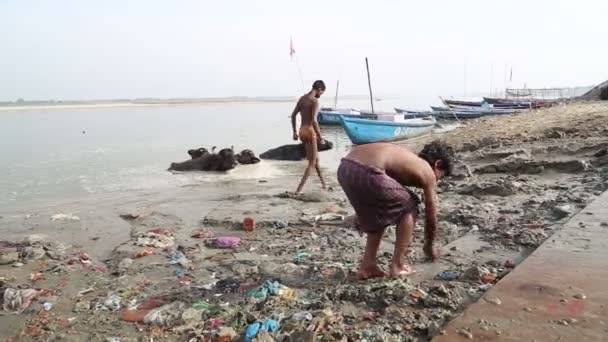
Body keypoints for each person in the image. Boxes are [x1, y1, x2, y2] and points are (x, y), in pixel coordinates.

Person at [337, 140, 454, 279]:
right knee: (410, 205)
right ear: (438, 164)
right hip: (369, 171)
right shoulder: (427, 171)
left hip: (345, 167)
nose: (437, 181)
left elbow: (377, 190)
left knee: (377, 212)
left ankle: (367, 266)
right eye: (441, 177)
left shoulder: (406, 160)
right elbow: (431, 214)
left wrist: (361, 214)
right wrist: (429, 245)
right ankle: (398, 266)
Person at [290, 80, 327, 194]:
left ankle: (324, 185)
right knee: (311, 163)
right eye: (321, 93)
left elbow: (293, 115)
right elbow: (314, 121)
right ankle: (298, 191)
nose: (320, 96)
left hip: (302, 131)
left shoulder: (302, 99)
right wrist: (320, 137)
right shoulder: (314, 101)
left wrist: (294, 132)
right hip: (310, 131)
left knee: (315, 160)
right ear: (319, 90)